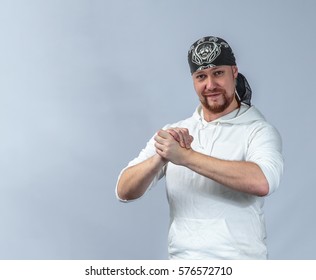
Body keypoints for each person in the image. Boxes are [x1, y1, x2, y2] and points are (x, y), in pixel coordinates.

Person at [115, 36, 283, 259]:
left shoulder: (258, 130)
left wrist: (186, 157)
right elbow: (123, 191)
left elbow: (262, 182)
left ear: (234, 72)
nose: (210, 85)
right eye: (201, 76)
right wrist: (160, 158)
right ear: (193, 80)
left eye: (218, 73)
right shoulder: (175, 132)